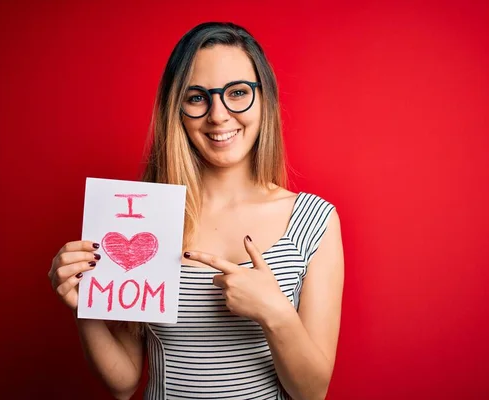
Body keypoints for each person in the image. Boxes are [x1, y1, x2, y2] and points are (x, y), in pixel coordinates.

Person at [48, 21, 344, 400]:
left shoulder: (314, 220)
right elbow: (123, 384)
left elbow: (312, 393)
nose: (218, 115)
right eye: (197, 97)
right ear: (178, 110)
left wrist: (276, 313)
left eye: (237, 92)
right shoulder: (146, 217)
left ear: (264, 99)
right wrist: (83, 304)